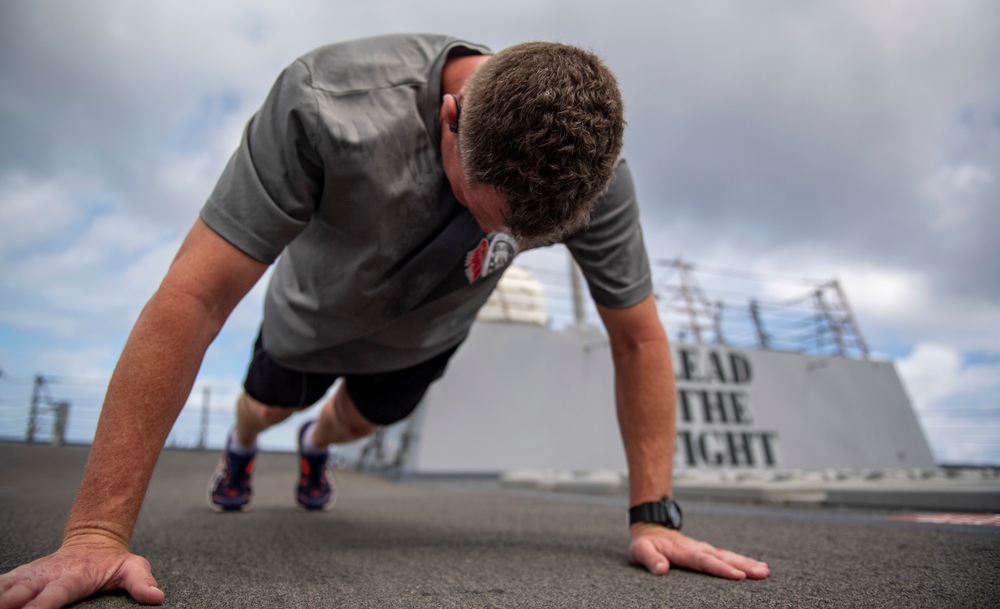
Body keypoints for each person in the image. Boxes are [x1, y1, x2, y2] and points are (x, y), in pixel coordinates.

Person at [0, 34, 769, 608]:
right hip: (308, 320)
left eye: (518, 238)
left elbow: (638, 338)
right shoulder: (323, 104)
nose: (493, 237)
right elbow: (192, 297)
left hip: (421, 337)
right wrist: (95, 534)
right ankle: (243, 448)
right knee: (267, 407)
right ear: (449, 117)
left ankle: (315, 449)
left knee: (350, 424)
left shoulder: (596, 181)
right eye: (481, 209)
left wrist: (654, 516)